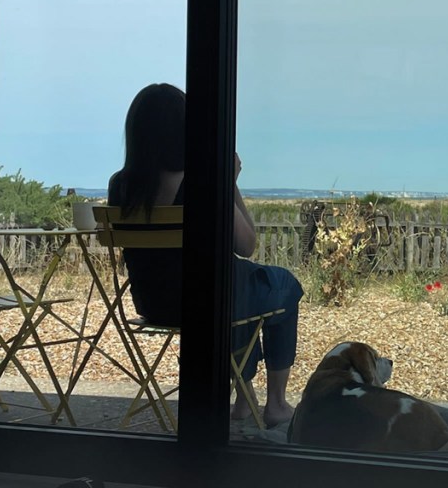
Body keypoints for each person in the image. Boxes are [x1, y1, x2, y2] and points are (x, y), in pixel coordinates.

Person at [107, 83, 303, 427]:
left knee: (242, 289)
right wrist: (227, 180)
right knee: (280, 285)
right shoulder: (201, 181)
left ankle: (244, 400)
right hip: (206, 304)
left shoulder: (119, 185)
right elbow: (246, 244)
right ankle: (276, 403)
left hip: (154, 303)